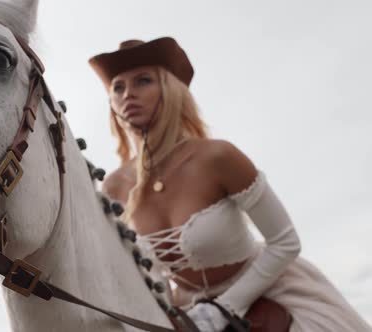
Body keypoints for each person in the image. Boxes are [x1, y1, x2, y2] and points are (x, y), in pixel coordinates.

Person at [89, 37, 372, 331]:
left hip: (268, 291)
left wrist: (225, 308)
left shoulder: (217, 157)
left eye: (143, 81)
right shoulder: (114, 187)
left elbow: (286, 243)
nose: (128, 94)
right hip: (188, 312)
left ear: (170, 90)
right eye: (118, 87)